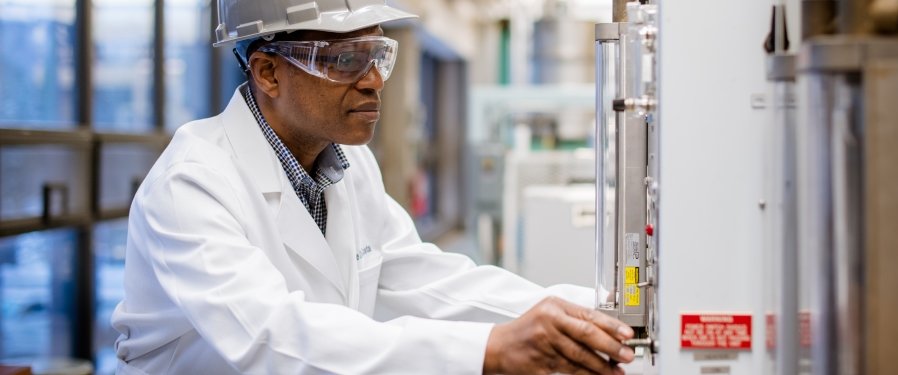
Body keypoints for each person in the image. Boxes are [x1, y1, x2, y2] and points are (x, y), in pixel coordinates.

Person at [110, 0, 635, 374]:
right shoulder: (192, 184)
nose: (374, 81)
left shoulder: (348, 165)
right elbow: (271, 340)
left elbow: (419, 281)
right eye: (344, 60)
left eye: (378, 54)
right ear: (267, 72)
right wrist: (488, 352)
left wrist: (590, 312)